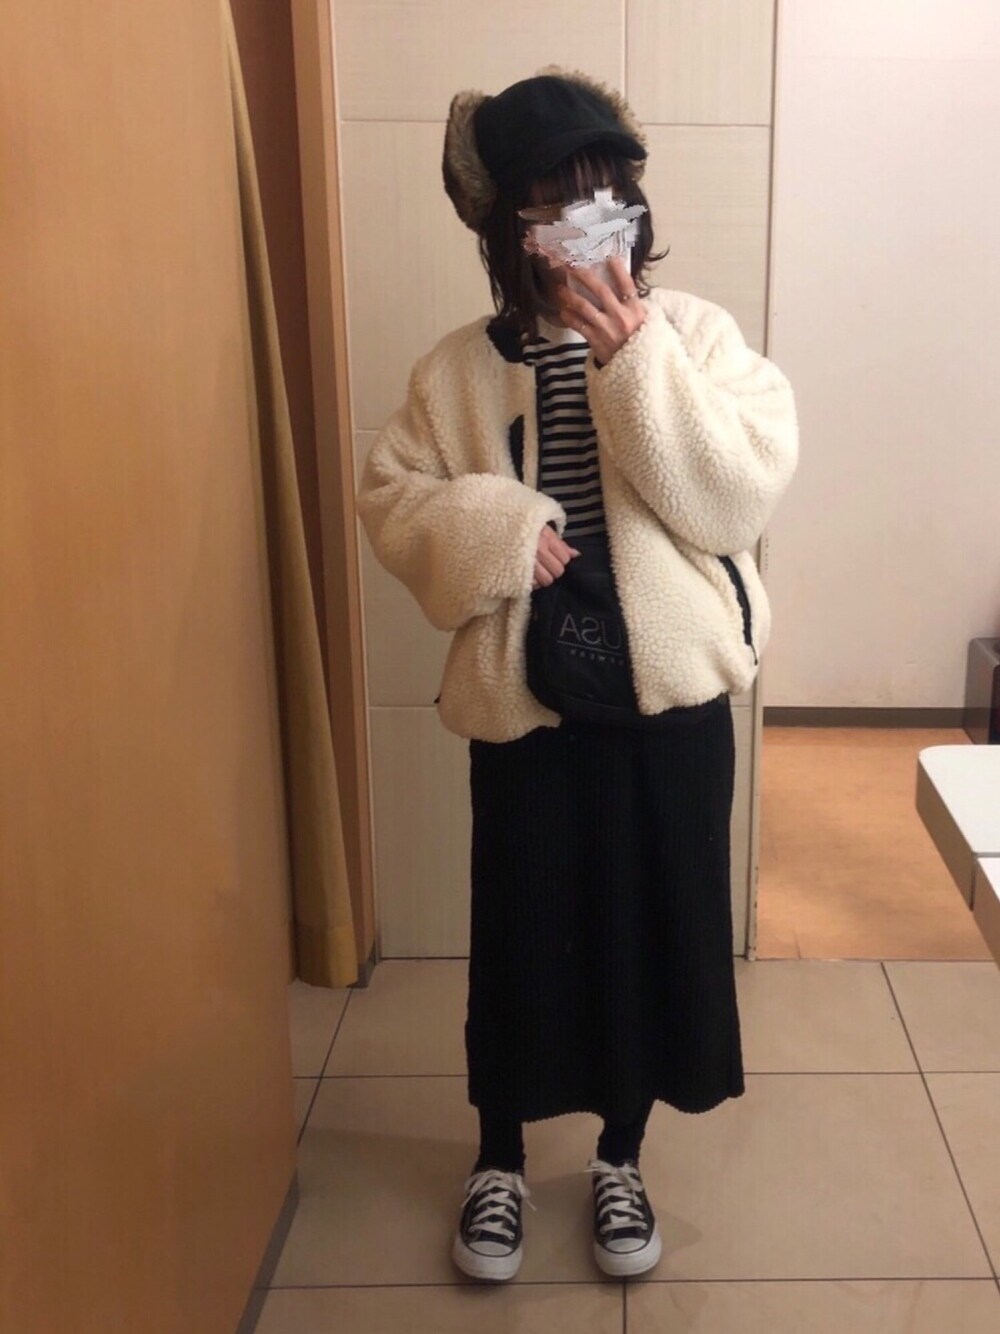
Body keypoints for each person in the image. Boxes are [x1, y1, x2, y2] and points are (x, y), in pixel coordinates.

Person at [356, 67, 798, 1283]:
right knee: (521, 932)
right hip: (528, 703)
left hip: (671, 706)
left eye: (604, 199)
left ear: (633, 212)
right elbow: (390, 496)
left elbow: (734, 498)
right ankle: (497, 1157)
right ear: (509, 231)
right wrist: (498, 525)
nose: (582, 228)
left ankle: (619, 1154)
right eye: (551, 206)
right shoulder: (458, 369)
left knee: (647, 933)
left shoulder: (696, 337)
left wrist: (636, 355)